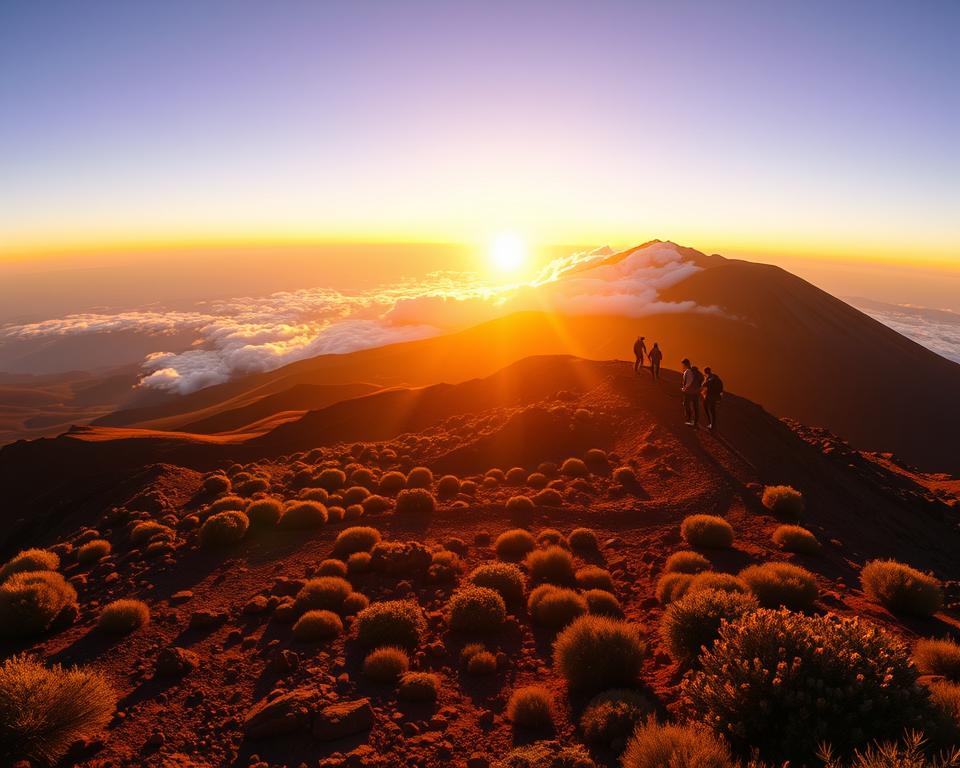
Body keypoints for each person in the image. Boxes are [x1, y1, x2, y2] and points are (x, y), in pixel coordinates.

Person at [680, 358, 703, 426]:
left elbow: (685, 382)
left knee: (687, 405)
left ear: (685, 364)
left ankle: (688, 420)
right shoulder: (699, 373)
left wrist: (683, 389)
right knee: (696, 407)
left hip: (688, 392)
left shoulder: (688, 371)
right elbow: (702, 380)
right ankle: (695, 422)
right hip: (696, 393)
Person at [701, 366, 724, 430]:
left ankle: (711, 424)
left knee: (707, 407)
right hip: (715, 396)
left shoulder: (710, 377)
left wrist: (705, 380)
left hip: (710, 396)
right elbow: (721, 388)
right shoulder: (716, 378)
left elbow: (704, 385)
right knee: (712, 410)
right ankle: (713, 424)